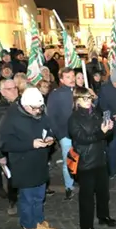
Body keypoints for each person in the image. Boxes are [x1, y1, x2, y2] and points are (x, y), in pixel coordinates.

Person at [0, 87, 59, 229]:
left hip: (39, 161)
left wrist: (51, 138)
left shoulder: (39, 111)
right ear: (25, 106)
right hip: (23, 164)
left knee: (39, 196)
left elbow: (49, 127)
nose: (38, 111)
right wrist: (31, 143)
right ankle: (29, 226)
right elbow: (5, 143)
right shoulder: (10, 117)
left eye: (40, 108)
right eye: (34, 108)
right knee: (27, 198)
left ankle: (39, 221)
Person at [68, 87, 116, 229]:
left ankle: (103, 216)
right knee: (87, 196)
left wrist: (109, 129)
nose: (88, 101)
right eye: (85, 98)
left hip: (100, 158)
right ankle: (86, 227)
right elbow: (82, 139)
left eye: (90, 98)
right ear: (77, 100)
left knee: (103, 192)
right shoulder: (74, 119)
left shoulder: (96, 112)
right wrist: (101, 133)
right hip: (86, 161)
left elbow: (105, 134)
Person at [0, 78, 20, 215]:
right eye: (9, 89)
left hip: (24, 147)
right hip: (8, 150)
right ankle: (13, 201)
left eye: (15, 88)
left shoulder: (23, 103)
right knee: (12, 178)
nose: (13, 91)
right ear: (2, 92)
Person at [47, 67, 77, 201]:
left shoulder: (79, 91)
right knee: (68, 161)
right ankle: (69, 187)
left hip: (81, 133)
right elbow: (51, 116)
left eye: (73, 76)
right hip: (66, 135)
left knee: (82, 161)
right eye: (68, 77)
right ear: (61, 80)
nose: (72, 79)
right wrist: (59, 134)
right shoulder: (56, 94)